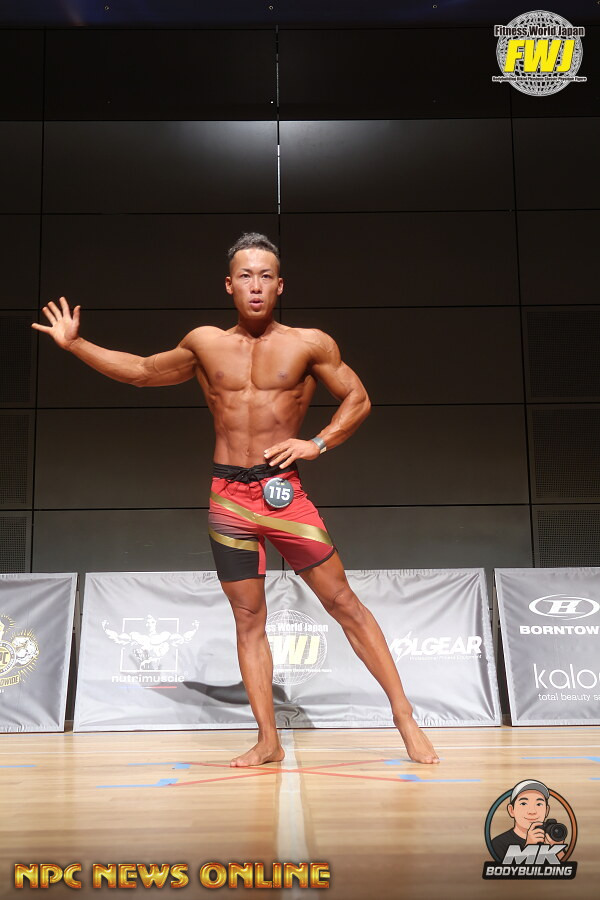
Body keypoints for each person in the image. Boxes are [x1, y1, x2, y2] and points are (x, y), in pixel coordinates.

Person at [32, 232, 439, 767]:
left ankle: (405, 718)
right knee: (248, 619)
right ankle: (268, 739)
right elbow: (142, 371)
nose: (256, 285)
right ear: (229, 285)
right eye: (246, 276)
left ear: (280, 285)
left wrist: (316, 443)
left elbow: (358, 398)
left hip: (283, 494)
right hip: (228, 498)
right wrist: (76, 345)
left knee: (343, 603)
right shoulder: (205, 343)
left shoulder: (310, 344)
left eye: (266, 276)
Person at [491, 780, 566, 862]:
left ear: (547, 810)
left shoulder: (551, 838)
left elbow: (565, 867)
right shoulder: (498, 843)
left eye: (539, 804)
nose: (532, 811)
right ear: (511, 810)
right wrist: (529, 847)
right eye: (523, 803)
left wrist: (558, 849)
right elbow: (507, 869)